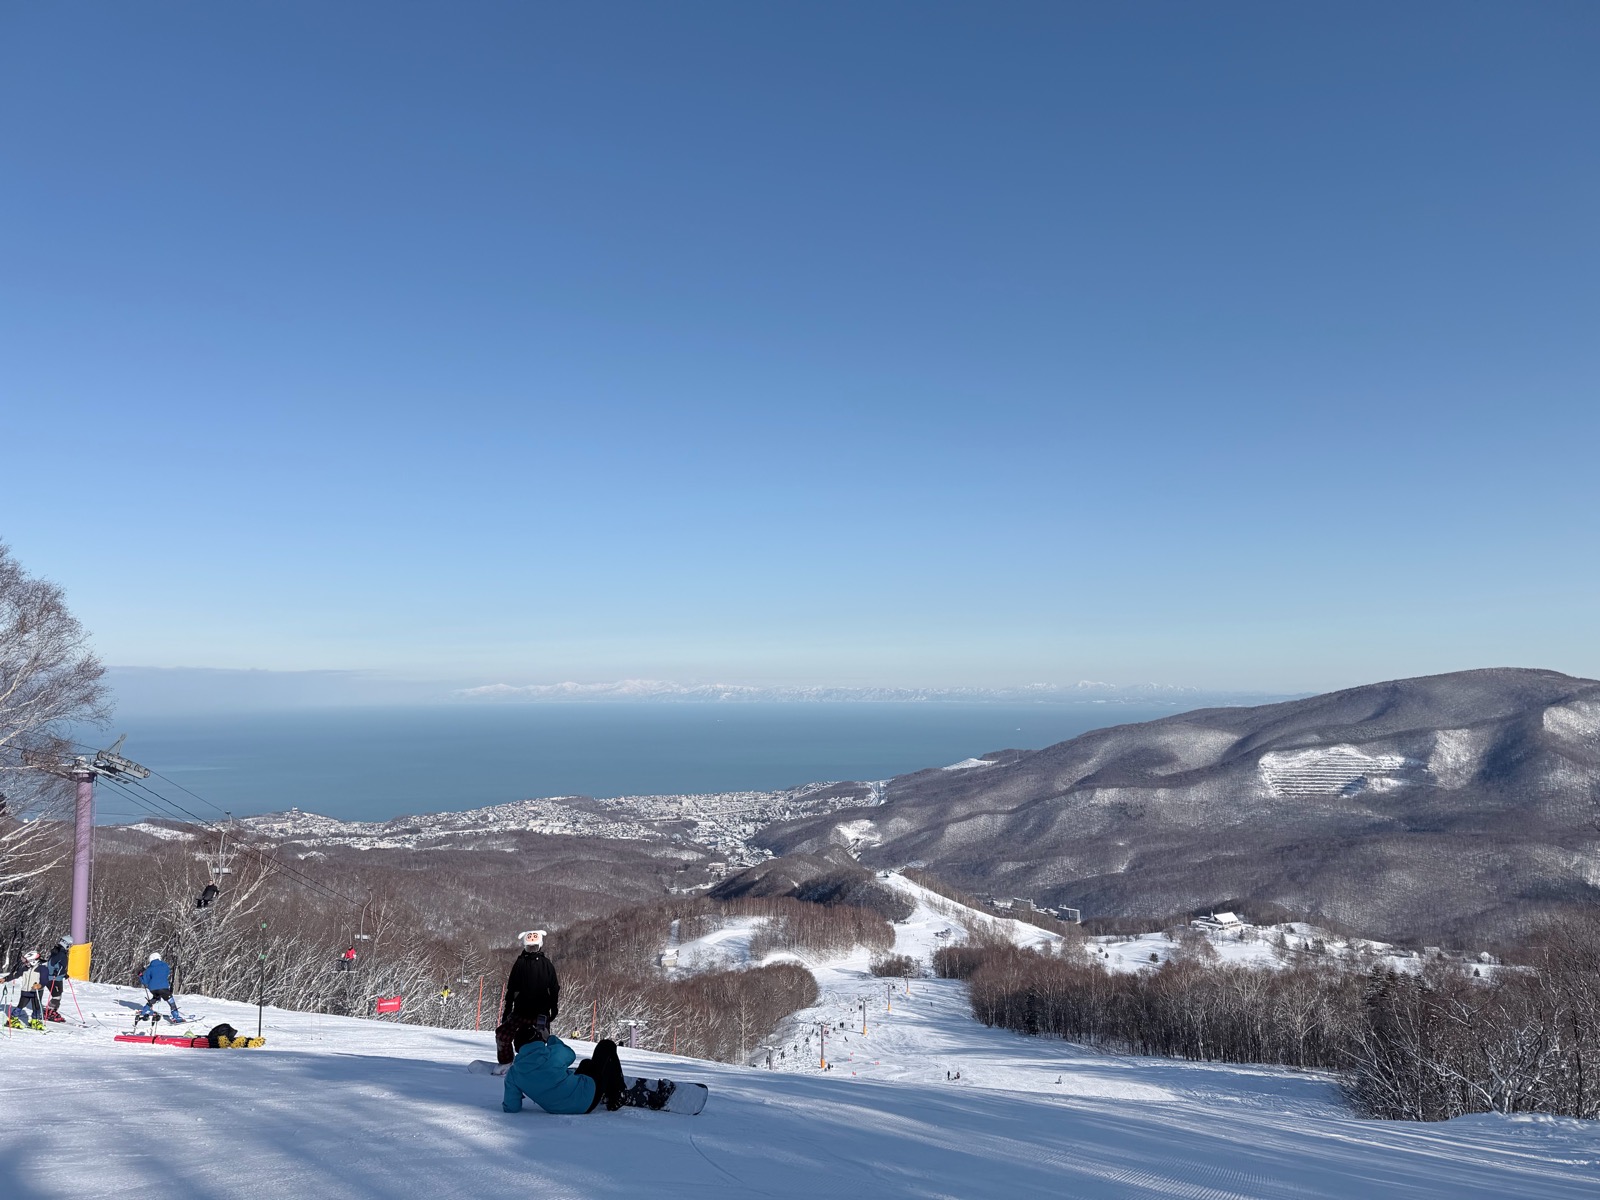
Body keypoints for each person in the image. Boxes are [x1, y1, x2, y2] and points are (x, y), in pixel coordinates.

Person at [502, 1026, 624, 1115]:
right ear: (539, 1039)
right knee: (607, 1045)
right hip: (587, 1097)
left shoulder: (514, 1073)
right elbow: (571, 1055)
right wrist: (550, 1038)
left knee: (586, 1064)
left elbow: (512, 1107)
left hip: (557, 1109)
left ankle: (609, 1092)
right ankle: (618, 1096)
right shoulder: (551, 1053)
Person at [497, 929, 559, 1064]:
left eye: (534, 947)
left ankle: (540, 1065)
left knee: (541, 1041)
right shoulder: (519, 963)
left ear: (540, 946)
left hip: (540, 1012)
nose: (531, 950)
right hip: (521, 1010)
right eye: (529, 947)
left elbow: (554, 988)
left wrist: (554, 1007)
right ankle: (506, 1063)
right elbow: (511, 988)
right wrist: (508, 1009)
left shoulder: (546, 964)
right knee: (502, 1035)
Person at [137, 951, 182, 1024]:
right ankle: (176, 1017)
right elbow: (167, 972)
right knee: (171, 1001)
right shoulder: (165, 965)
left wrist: (140, 975)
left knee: (156, 998)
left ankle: (145, 1010)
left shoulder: (149, 968)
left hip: (153, 989)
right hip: (163, 988)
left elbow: (145, 982)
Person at [4, 951, 44, 1028]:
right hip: (25, 990)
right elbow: (15, 975)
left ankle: (35, 1021)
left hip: (36, 991)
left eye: (26, 961)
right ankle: (12, 1019)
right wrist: (5, 979)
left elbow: (44, 979)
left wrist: (40, 985)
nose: (25, 963)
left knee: (37, 1006)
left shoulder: (42, 968)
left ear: (33, 961)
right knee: (21, 1005)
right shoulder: (25, 968)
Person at [44, 937, 70, 1021]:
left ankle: (52, 1011)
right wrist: (56, 973)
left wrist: (64, 974)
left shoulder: (58, 951)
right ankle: (49, 1012)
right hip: (53, 978)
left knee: (58, 995)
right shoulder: (60, 953)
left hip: (57, 977)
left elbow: (60, 965)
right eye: (70, 945)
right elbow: (52, 964)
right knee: (57, 996)